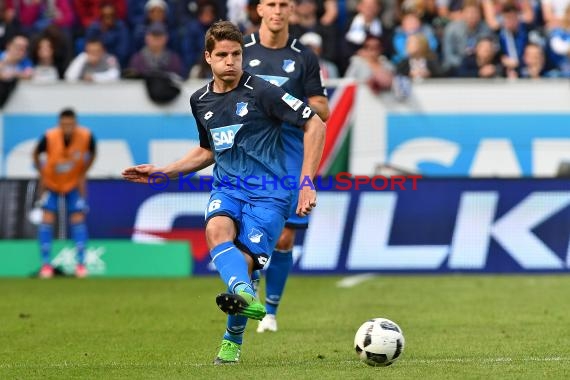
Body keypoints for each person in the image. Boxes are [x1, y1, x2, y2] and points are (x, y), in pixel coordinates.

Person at [122, 20, 325, 364]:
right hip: (228, 186)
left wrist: (306, 181)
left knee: (243, 266)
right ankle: (246, 294)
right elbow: (207, 151)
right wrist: (162, 171)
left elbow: (315, 123)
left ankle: (232, 337)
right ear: (208, 58)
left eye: (236, 54)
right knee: (216, 230)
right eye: (223, 55)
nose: (230, 61)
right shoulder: (199, 100)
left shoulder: (263, 91)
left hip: (270, 194)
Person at [241, 0, 330, 334]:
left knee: (284, 237)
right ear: (259, 10)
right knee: (246, 235)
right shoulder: (240, 50)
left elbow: (322, 109)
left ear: (291, 10)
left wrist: (284, 103)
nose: (277, 10)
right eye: (271, 4)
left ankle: (271, 311)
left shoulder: (304, 56)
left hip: (290, 152)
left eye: (283, 4)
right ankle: (248, 299)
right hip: (248, 152)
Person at [33, 108, 96, 279]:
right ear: (59, 124)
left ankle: (81, 266)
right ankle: (46, 265)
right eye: (64, 124)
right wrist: (43, 172)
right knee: (47, 220)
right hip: (52, 183)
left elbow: (93, 153)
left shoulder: (86, 136)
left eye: (70, 124)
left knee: (78, 219)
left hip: (73, 184)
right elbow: (36, 154)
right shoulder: (49, 137)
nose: (67, 127)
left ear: (75, 123)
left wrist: (83, 172)